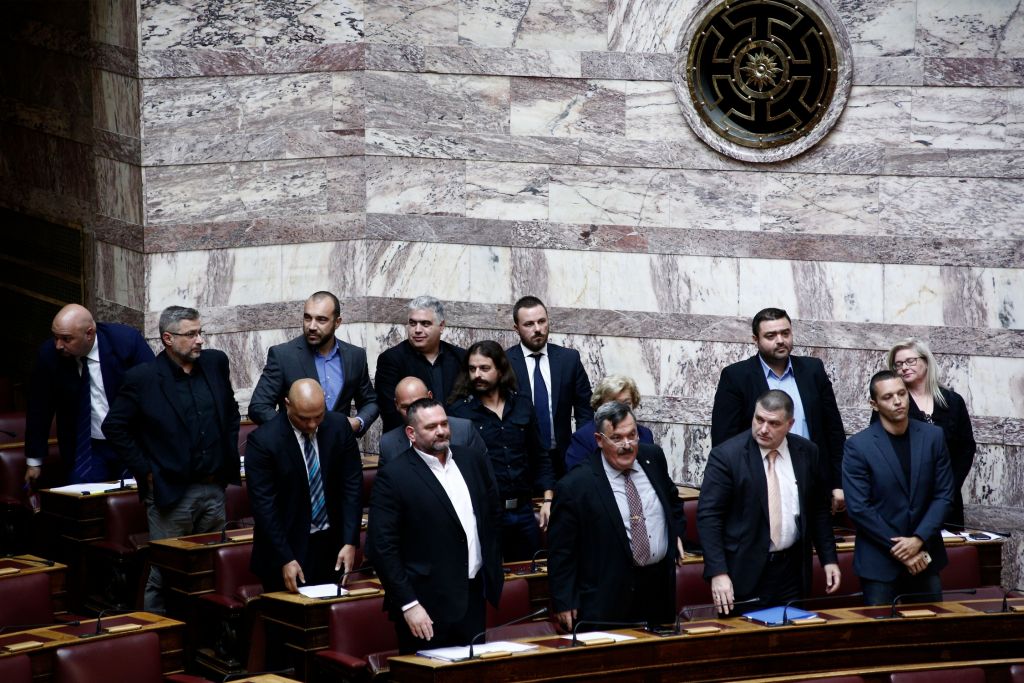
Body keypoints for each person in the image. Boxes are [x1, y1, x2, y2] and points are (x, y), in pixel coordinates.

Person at [103, 306, 241, 612]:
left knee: (211, 569)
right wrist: (145, 470)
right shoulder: (143, 378)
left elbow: (231, 412)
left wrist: (227, 452)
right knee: (165, 572)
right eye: (191, 334)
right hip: (171, 492)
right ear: (168, 338)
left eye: (200, 332)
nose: (199, 340)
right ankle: (158, 634)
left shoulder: (216, 363)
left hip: (214, 487)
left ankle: (200, 631)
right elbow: (114, 427)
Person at [368, 399, 503, 654]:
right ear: (411, 433)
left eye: (444, 424)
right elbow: (382, 547)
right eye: (431, 427)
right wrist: (409, 604)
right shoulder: (394, 476)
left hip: (473, 595)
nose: (441, 431)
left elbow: (491, 515)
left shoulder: (471, 460)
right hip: (425, 605)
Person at [698, 390, 840, 615]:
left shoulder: (807, 452)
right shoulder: (727, 456)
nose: (763, 429)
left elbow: (817, 510)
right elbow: (709, 517)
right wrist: (718, 572)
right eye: (759, 419)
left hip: (792, 571)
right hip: (743, 573)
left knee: (792, 633)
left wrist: (829, 559)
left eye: (773, 423)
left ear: (790, 424)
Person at [548, 401, 686, 630]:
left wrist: (675, 534)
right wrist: (564, 600)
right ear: (599, 440)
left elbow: (672, 500)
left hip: (658, 591)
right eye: (617, 438)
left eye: (632, 435)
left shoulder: (653, 457)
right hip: (607, 598)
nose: (627, 445)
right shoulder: (575, 485)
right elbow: (562, 551)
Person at [711, 307, 847, 513]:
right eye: (771, 336)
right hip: (761, 484)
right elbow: (724, 439)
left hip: (813, 481)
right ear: (755, 340)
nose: (780, 340)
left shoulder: (813, 370)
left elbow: (833, 430)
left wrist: (838, 483)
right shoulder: (736, 376)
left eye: (785, 333)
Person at [843, 371, 953, 606]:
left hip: (925, 556)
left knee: (931, 625)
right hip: (879, 561)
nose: (897, 401)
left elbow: (943, 495)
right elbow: (859, 508)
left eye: (902, 394)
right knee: (881, 628)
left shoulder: (933, 436)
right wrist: (902, 548)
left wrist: (918, 539)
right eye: (888, 397)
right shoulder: (858, 446)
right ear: (874, 404)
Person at [246, 379, 362, 593]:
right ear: (287, 404)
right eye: (304, 418)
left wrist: (350, 541)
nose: (312, 425)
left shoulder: (338, 427)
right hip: (287, 550)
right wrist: (284, 558)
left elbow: (352, 486)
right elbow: (264, 507)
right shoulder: (263, 441)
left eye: (318, 416)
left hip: (332, 546)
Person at [25, 304, 154, 485]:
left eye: (66, 339)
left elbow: (155, 393)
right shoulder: (49, 355)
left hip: (131, 441)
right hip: (87, 447)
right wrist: (34, 462)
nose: (58, 345)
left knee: (136, 494)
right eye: (55, 337)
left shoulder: (126, 342)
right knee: (81, 492)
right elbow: (39, 408)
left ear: (89, 333)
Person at [449, 340, 554, 561]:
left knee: (529, 572)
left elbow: (539, 455)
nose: (477, 374)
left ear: (500, 370)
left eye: (484, 368)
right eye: (472, 369)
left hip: (524, 509)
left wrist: (548, 499)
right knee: (492, 575)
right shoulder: (459, 411)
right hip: (486, 512)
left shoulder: (522, 404)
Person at [248, 291, 378, 436]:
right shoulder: (283, 355)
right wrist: (292, 431)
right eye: (307, 318)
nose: (312, 326)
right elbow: (259, 407)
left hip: (340, 446)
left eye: (321, 320)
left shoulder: (355, 356)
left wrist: (358, 422)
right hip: (296, 447)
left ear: (337, 322)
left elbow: (370, 401)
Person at [880, 338, 975, 528]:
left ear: (926, 361)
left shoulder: (953, 401)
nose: (904, 368)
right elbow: (880, 448)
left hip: (947, 500)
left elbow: (966, 449)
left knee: (950, 545)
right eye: (898, 364)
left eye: (910, 361)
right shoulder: (891, 403)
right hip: (905, 502)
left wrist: (948, 488)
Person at [506, 296, 593, 478]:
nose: (537, 329)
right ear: (516, 328)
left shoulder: (569, 359)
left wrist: (580, 449)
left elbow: (585, 410)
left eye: (541, 321)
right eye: (529, 324)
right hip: (520, 461)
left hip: (564, 459)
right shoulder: (505, 363)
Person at [375, 296, 465, 433]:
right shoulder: (391, 359)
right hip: (410, 439)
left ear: (441, 326)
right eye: (412, 323)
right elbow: (391, 412)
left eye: (425, 324)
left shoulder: (461, 357)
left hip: (455, 436)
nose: (417, 330)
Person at [377, 376, 485, 467]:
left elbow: (484, 474)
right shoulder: (388, 444)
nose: (412, 413)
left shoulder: (464, 431)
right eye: (406, 407)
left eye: (419, 404)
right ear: (396, 405)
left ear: (430, 397)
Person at [564, 375, 654, 471]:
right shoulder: (583, 438)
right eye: (613, 404)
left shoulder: (645, 434)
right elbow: (577, 476)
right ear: (599, 405)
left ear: (634, 404)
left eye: (626, 404)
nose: (620, 410)